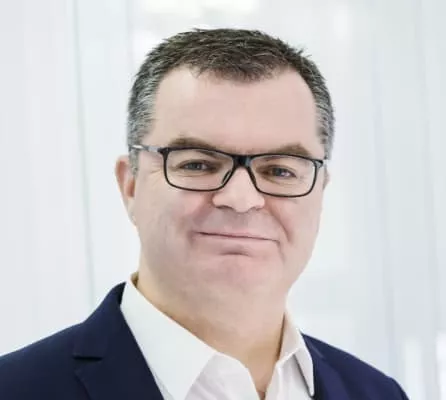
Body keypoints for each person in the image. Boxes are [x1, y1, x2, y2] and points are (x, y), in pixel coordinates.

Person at [0, 28, 409, 400]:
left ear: (320, 192)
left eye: (279, 170)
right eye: (198, 164)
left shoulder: (377, 393)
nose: (241, 198)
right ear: (131, 186)